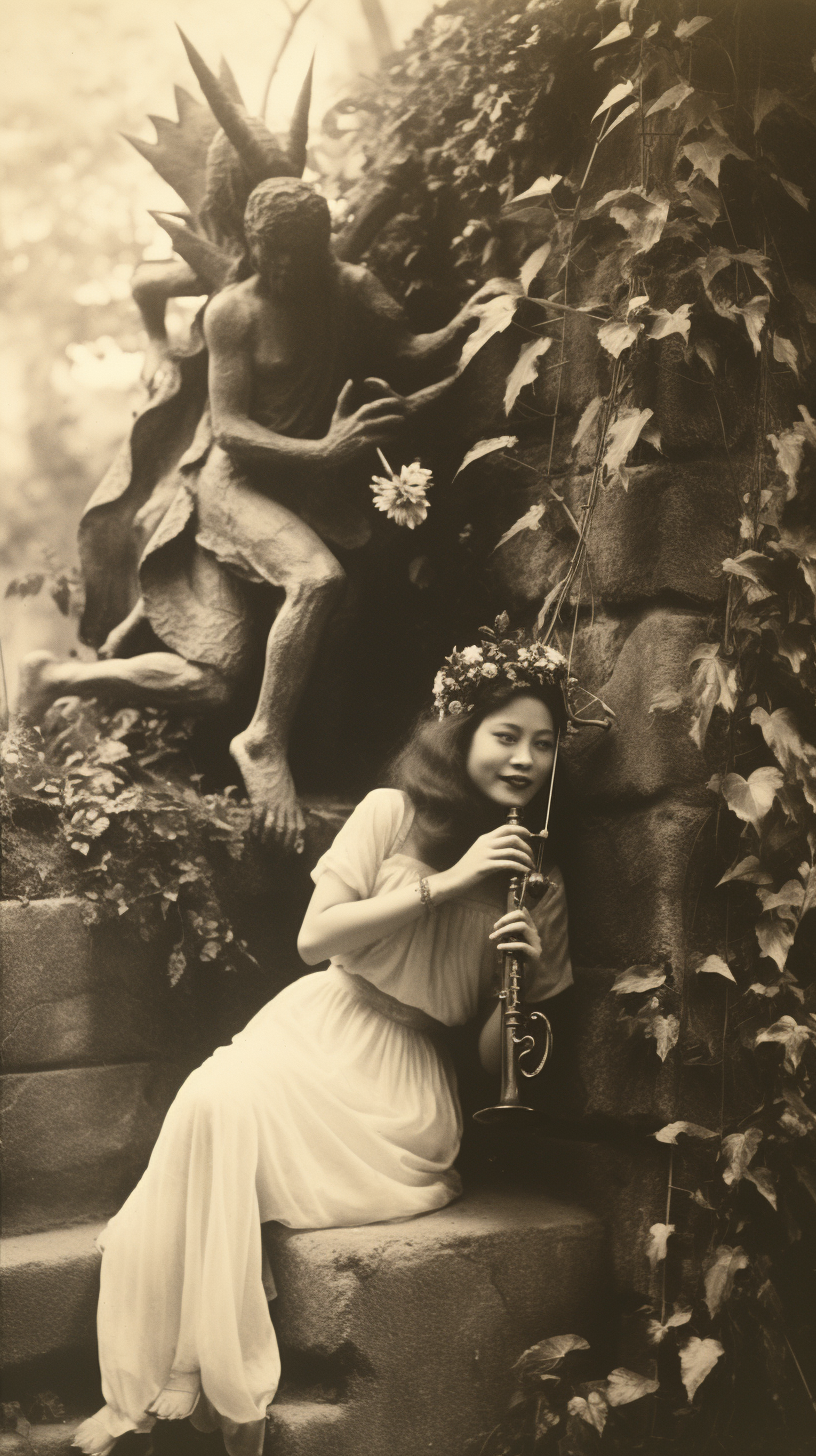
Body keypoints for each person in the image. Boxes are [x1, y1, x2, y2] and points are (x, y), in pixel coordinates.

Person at [72, 638, 573, 1456]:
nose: (524, 757)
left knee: (220, 1128)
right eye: (506, 735)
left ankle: (206, 1374)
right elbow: (314, 940)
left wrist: (527, 971)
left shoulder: (541, 882)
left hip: (402, 1089)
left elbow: (494, 1065)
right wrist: (447, 884)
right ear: (463, 733)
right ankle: (175, 1375)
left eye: (543, 743)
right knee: (213, 1098)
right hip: (316, 1026)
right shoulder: (388, 814)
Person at [17, 177, 509, 852]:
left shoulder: (351, 287)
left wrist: (470, 322)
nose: (288, 268)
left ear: (323, 245)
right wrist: (328, 448)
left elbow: (409, 351)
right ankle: (263, 742)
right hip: (238, 484)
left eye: (303, 253)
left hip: (306, 489)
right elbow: (231, 430)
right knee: (318, 580)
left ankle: (59, 679)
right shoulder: (234, 313)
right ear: (253, 245)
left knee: (219, 683)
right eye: (274, 253)